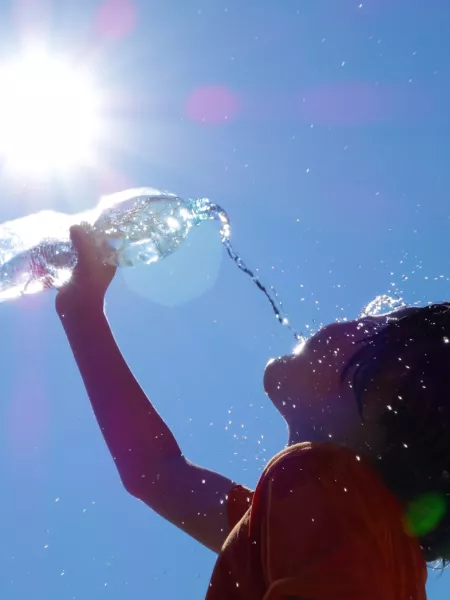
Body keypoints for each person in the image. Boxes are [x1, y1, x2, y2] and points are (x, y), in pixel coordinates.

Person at [56, 226, 450, 599]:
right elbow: (154, 472)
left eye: (374, 321)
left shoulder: (325, 484)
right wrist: (81, 313)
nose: (353, 318)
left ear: (392, 384)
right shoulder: (331, 526)